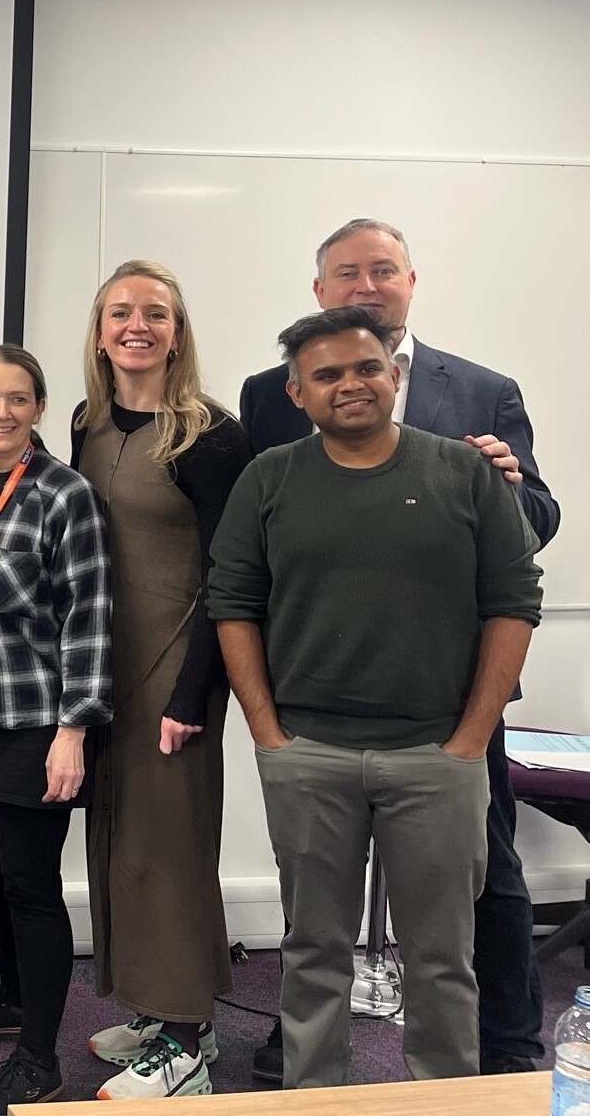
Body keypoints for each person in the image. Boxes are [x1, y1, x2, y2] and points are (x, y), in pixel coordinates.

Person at [237, 218, 560, 1081]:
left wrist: (509, 490)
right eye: (348, 273)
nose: (366, 286)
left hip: (450, 704)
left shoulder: (483, 391)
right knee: (315, 931)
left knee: (477, 896)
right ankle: (306, 1071)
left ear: (411, 282)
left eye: (383, 271)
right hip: (319, 709)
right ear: (320, 292)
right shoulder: (269, 395)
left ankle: (508, 1055)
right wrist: (269, 730)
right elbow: (253, 561)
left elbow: (529, 542)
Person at [69, 262, 252, 1100]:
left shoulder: (211, 435)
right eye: (121, 312)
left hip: (174, 668)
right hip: (101, 666)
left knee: (170, 849)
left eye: (157, 313)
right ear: (99, 330)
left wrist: (194, 696)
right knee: (119, 839)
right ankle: (156, 1006)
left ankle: (186, 1046)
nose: (137, 325)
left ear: (178, 332)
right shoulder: (89, 422)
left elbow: (234, 575)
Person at [0, 344, 112, 1116]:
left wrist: (74, 731)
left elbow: (90, 619)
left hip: (35, 721)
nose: (0, 412)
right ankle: (12, 995)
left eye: (17, 399)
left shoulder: (67, 495)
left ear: (39, 408)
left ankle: (39, 1060)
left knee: (32, 884)